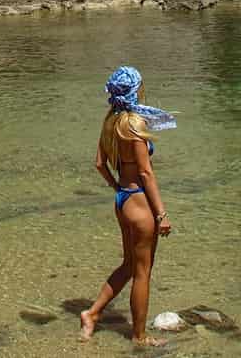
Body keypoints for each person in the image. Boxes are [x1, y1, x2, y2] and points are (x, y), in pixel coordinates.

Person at [80, 66, 175, 347]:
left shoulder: (110, 121)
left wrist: (116, 187)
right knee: (143, 272)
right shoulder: (134, 124)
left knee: (129, 265)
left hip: (123, 200)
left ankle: (91, 313)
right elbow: (146, 173)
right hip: (140, 202)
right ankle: (139, 336)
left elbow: (100, 164)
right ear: (136, 90)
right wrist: (161, 214)